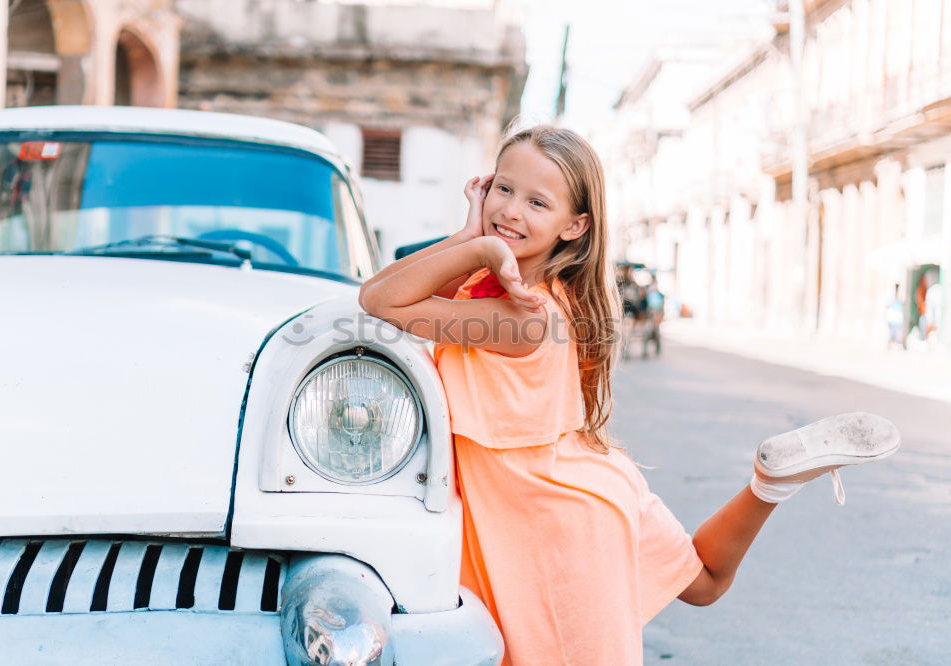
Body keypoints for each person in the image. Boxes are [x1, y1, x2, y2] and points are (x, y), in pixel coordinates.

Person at [358, 125, 900, 665]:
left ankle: (771, 482)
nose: (511, 211)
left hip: (553, 516)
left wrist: (473, 241)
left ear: (576, 225)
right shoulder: (521, 290)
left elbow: (379, 299)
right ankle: (769, 482)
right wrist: (473, 240)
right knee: (704, 581)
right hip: (581, 478)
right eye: (503, 189)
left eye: (537, 202)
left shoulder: (519, 315)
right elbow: (401, 294)